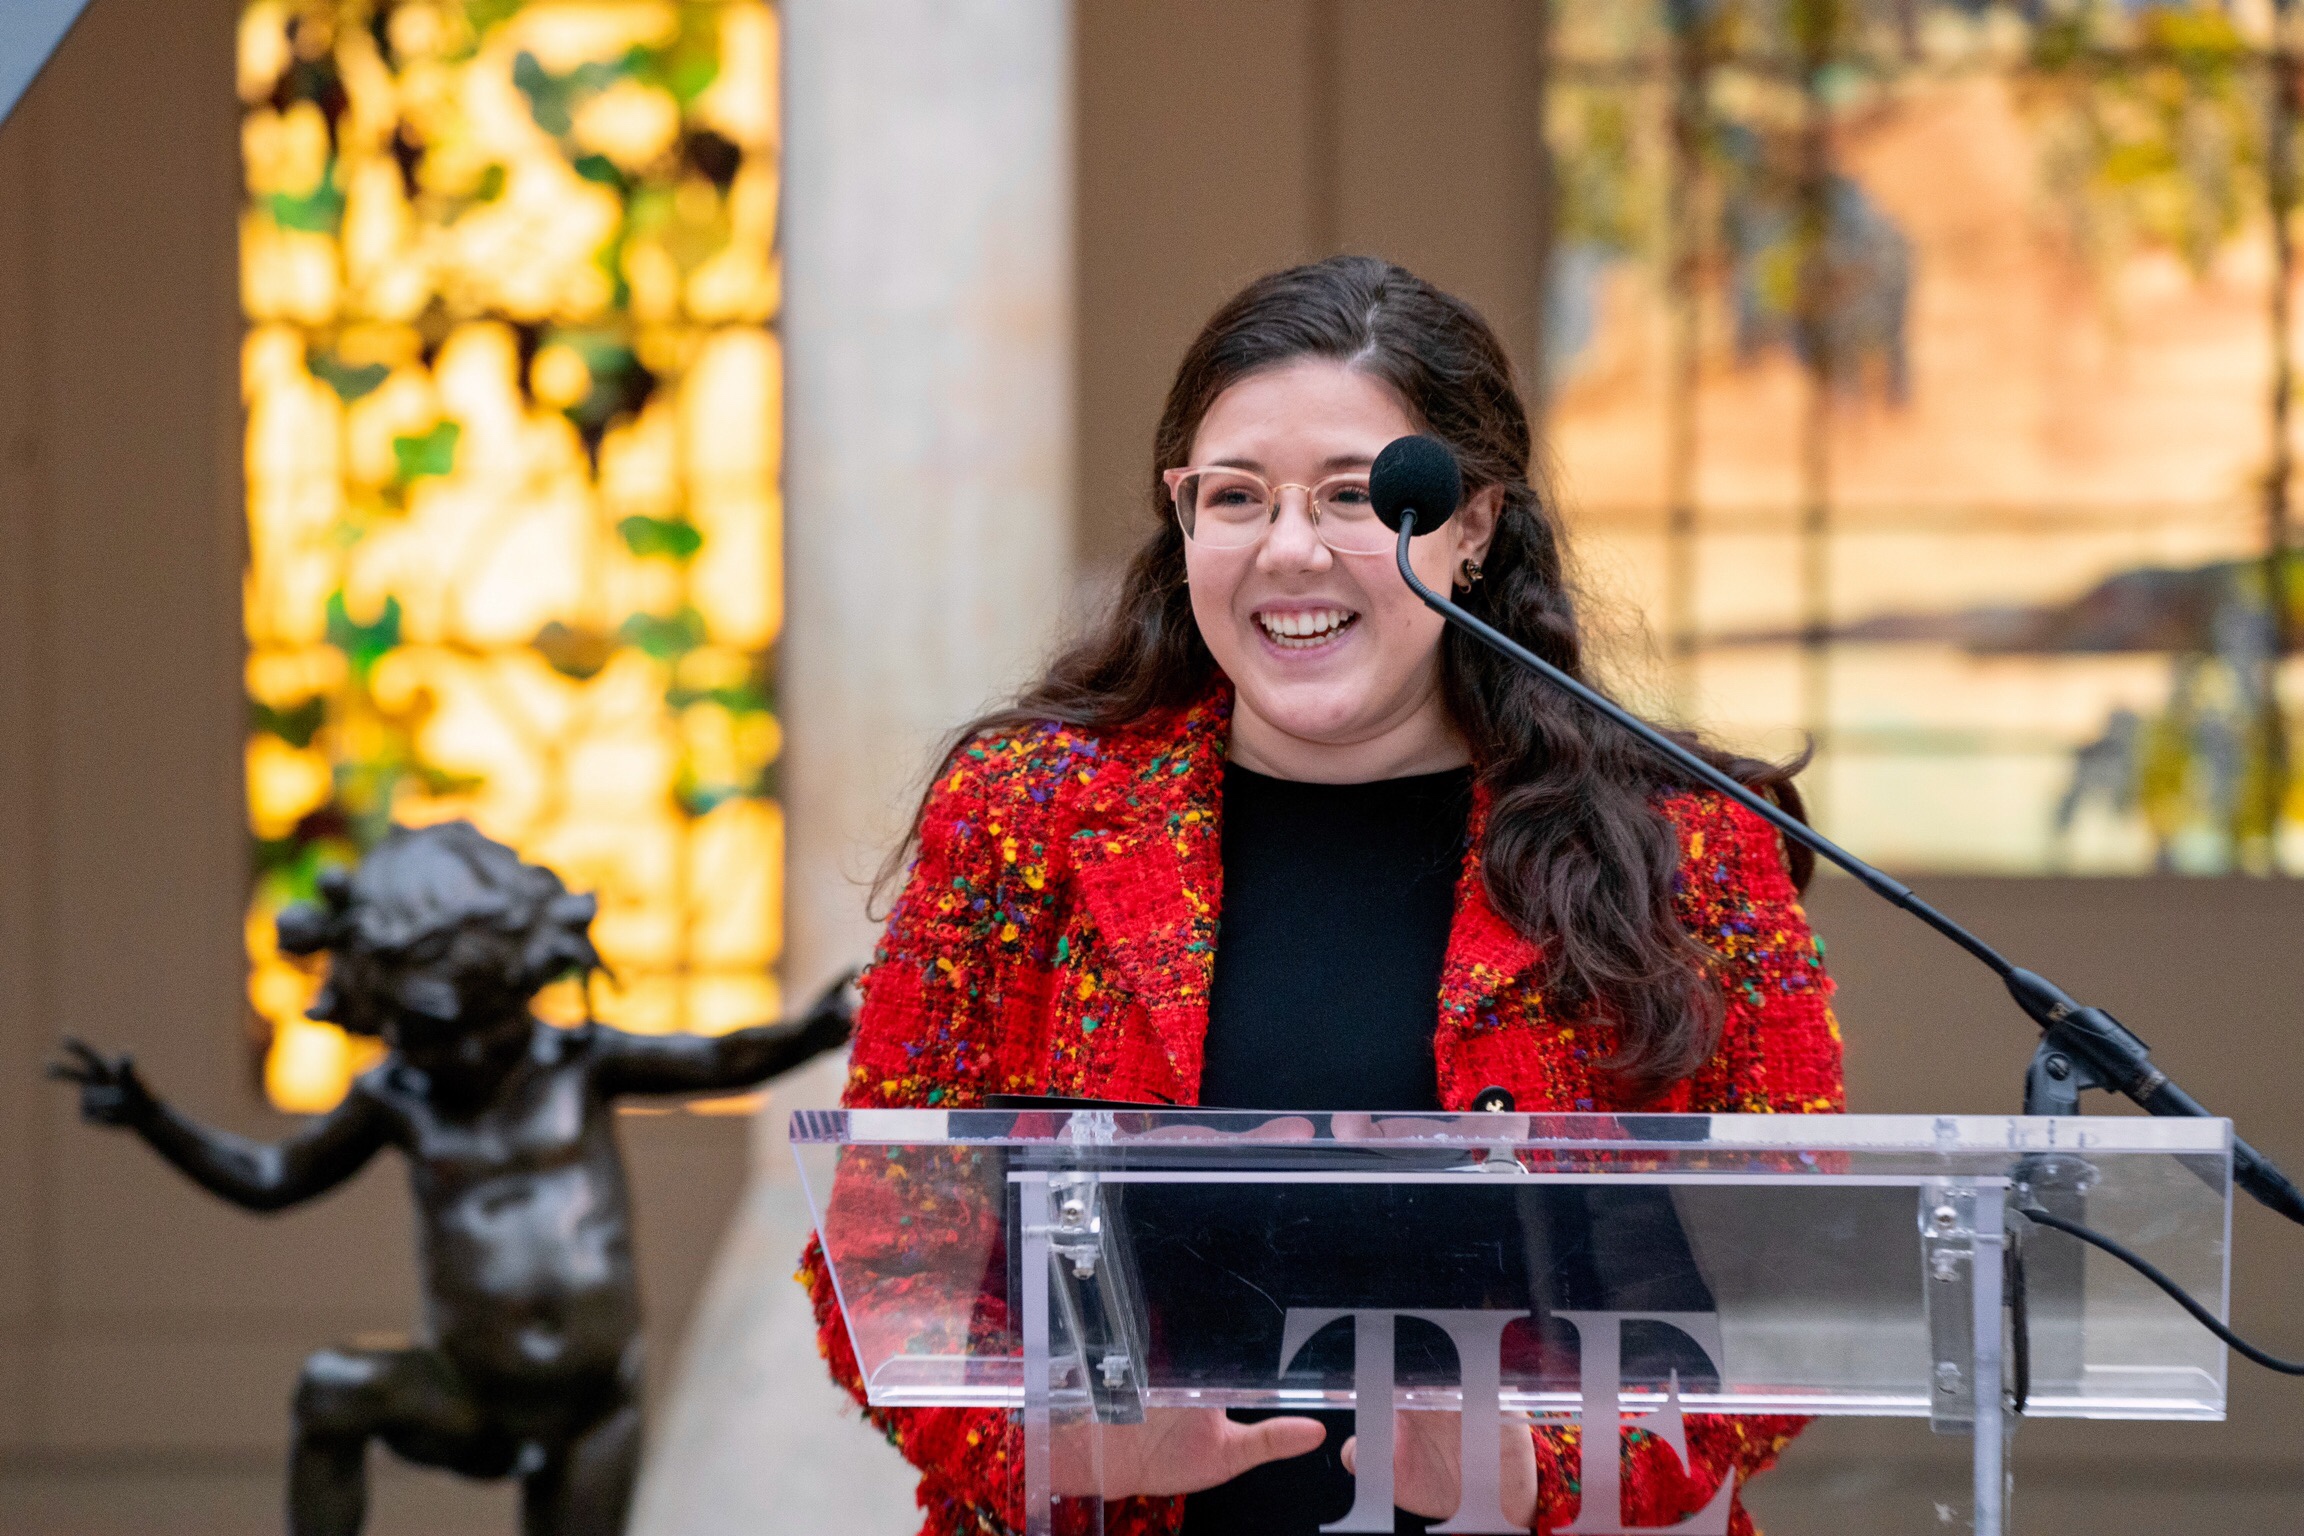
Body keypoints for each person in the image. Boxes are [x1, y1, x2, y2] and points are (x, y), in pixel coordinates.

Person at [803, 256, 1844, 1535]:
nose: (1288, 552)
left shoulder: (1681, 846)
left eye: (1357, 497)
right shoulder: (1027, 822)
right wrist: (1073, 1442)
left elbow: (1792, 1295)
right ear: (1183, 521)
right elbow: (881, 1264)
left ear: (1471, 526)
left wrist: (1537, 1477)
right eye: (1234, 496)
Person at [48, 821, 855, 1536]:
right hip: (469, 1397)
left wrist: (812, 1033)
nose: (465, 1056)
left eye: (487, 1027)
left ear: (518, 989)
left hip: (593, 1408)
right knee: (333, 1388)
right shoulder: (398, 1095)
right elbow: (272, 1177)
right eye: (435, 1038)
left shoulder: (580, 1062)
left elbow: (717, 1059)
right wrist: (154, 1119)